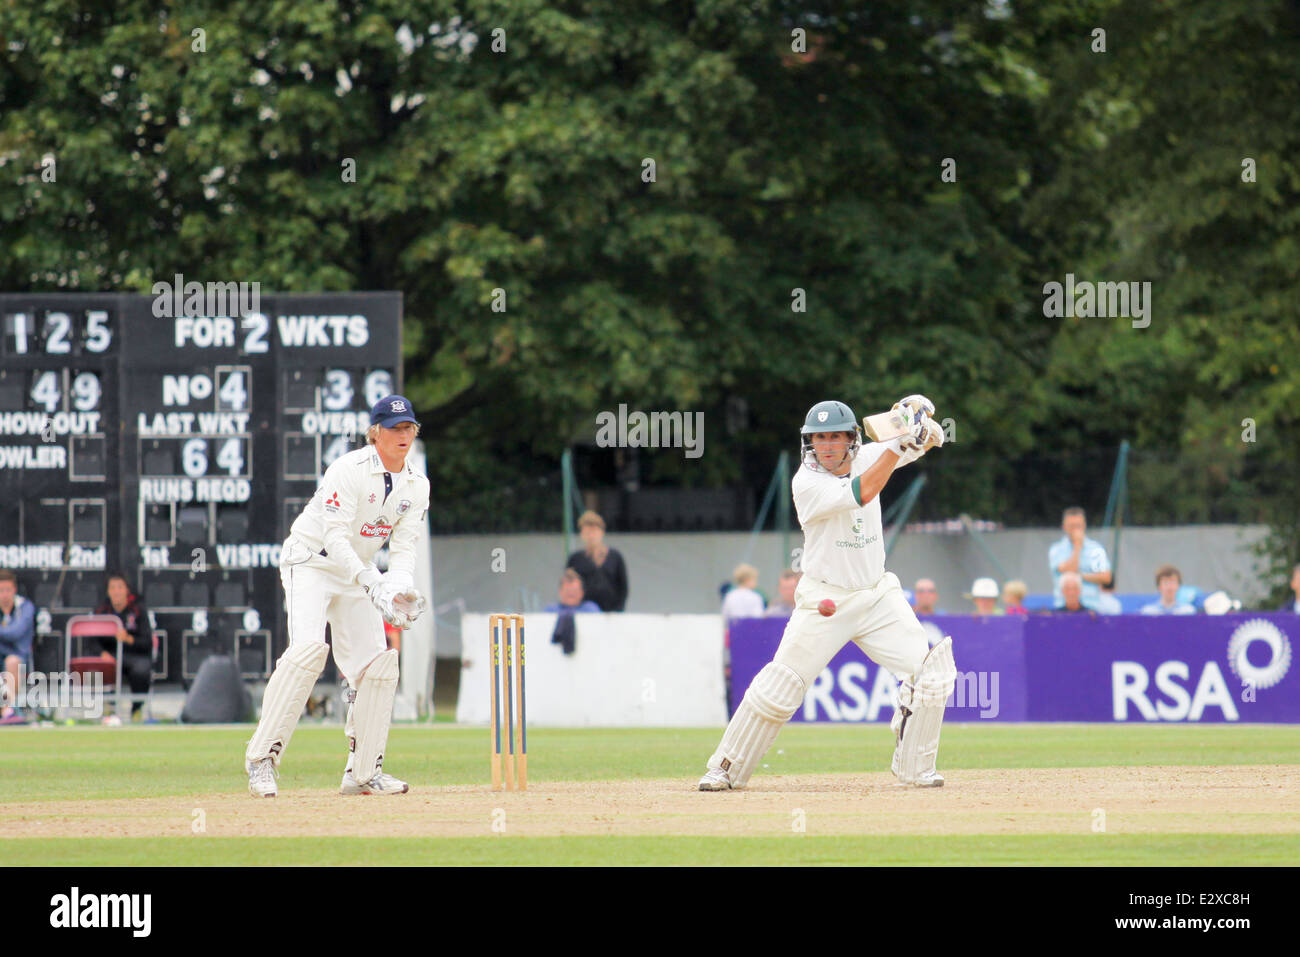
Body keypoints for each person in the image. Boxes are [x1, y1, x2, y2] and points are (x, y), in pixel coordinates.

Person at [698, 396, 953, 791]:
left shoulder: (872, 454)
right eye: (820, 438)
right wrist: (902, 443)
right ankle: (725, 768)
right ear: (809, 442)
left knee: (933, 675)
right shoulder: (807, 483)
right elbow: (864, 491)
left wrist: (918, 426)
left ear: (852, 439)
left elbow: (928, 440)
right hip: (825, 601)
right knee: (780, 687)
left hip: (877, 595)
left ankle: (915, 767)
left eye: (836, 436)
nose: (828, 445)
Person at [245, 394, 430, 798]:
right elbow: (334, 535)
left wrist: (398, 590)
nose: (404, 436)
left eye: (409, 428)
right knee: (309, 651)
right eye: (395, 429)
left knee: (378, 667)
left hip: (356, 574)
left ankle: (362, 772)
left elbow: (404, 548)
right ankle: (261, 760)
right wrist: (372, 581)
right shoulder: (349, 469)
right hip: (311, 560)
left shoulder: (417, 485)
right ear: (375, 433)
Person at [93, 573, 155, 720]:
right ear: (108, 591)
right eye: (112, 588)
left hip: (135, 656)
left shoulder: (138, 610)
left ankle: (137, 709)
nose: (116, 592)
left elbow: (147, 642)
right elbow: (92, 641)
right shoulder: (102, 611)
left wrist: (128, 639)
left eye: (120, 587)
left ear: (127, 590)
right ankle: (109, 709)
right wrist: (102, 653)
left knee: (141, 669)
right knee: (102, 667)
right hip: (112, 656)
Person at [1048, 508, 1111, 610]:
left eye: (1078, 526)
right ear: (1064, 527)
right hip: (1063, 607)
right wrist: (1077, 547)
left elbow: (1106, 577)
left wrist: (1081, 576)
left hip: (1092, 606)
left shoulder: (1096, 548)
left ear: (1084, 526)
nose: (1075, 530)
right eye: (1072, 526)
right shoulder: (1056, 549)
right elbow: (1071, 570)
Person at [565, 511, 628, 611]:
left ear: (601, 532)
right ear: (582, 534)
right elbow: (568, 586)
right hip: (583, 612)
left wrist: (618, 610)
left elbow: (623, 588)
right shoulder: (575, 559)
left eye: (594, 532)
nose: (591, 536)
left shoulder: (615, 557)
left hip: (611, 612)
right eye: (587, 532)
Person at [0, 570, 36, 724]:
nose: (4, 594)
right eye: (1, 590)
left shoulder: (26, 607)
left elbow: (16, 633)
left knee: (12, 662)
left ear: (14, 590)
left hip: (18, 659)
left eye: (8, 590)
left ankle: (8, 710)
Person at [546, 568, 601, 655]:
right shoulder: (551, 610)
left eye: (574, 591)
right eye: (568, 591)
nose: (571, 594)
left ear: (582, 592)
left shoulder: (590, 609)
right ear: (560, 592)